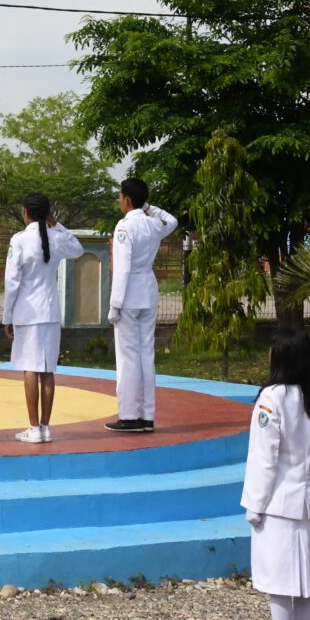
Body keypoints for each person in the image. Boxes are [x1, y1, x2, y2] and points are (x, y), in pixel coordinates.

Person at [242, 326, 310, 620]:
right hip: (306, 500)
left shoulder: (271, 398)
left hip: (277, 503)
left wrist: (255, 504)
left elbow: (265, 458)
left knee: (278, 580)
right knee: (305, 582)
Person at [0, 192, 83, 443]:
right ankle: (45, 427)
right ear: (46, 214)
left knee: (30, 368)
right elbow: (78, 249)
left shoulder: (20, 240)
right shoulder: (56, 238)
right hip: (49, 311)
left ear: (26, 212)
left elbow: (12, 282)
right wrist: (55, 223)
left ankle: (33, 427)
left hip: (27, 312)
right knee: (47, 370)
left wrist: (7, 316)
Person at [105, 177, 178, 433]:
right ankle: (147, 415)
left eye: (120, 197)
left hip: (128, 295)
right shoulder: (152, 225)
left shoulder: (125, 227)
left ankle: (129, 415)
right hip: (148, 291)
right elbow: (172, 221)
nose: (119, 201)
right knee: (146, 355)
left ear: (126, 199)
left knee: (128, 358)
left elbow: (122, 268)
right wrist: (149, 208)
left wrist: (114, 304)